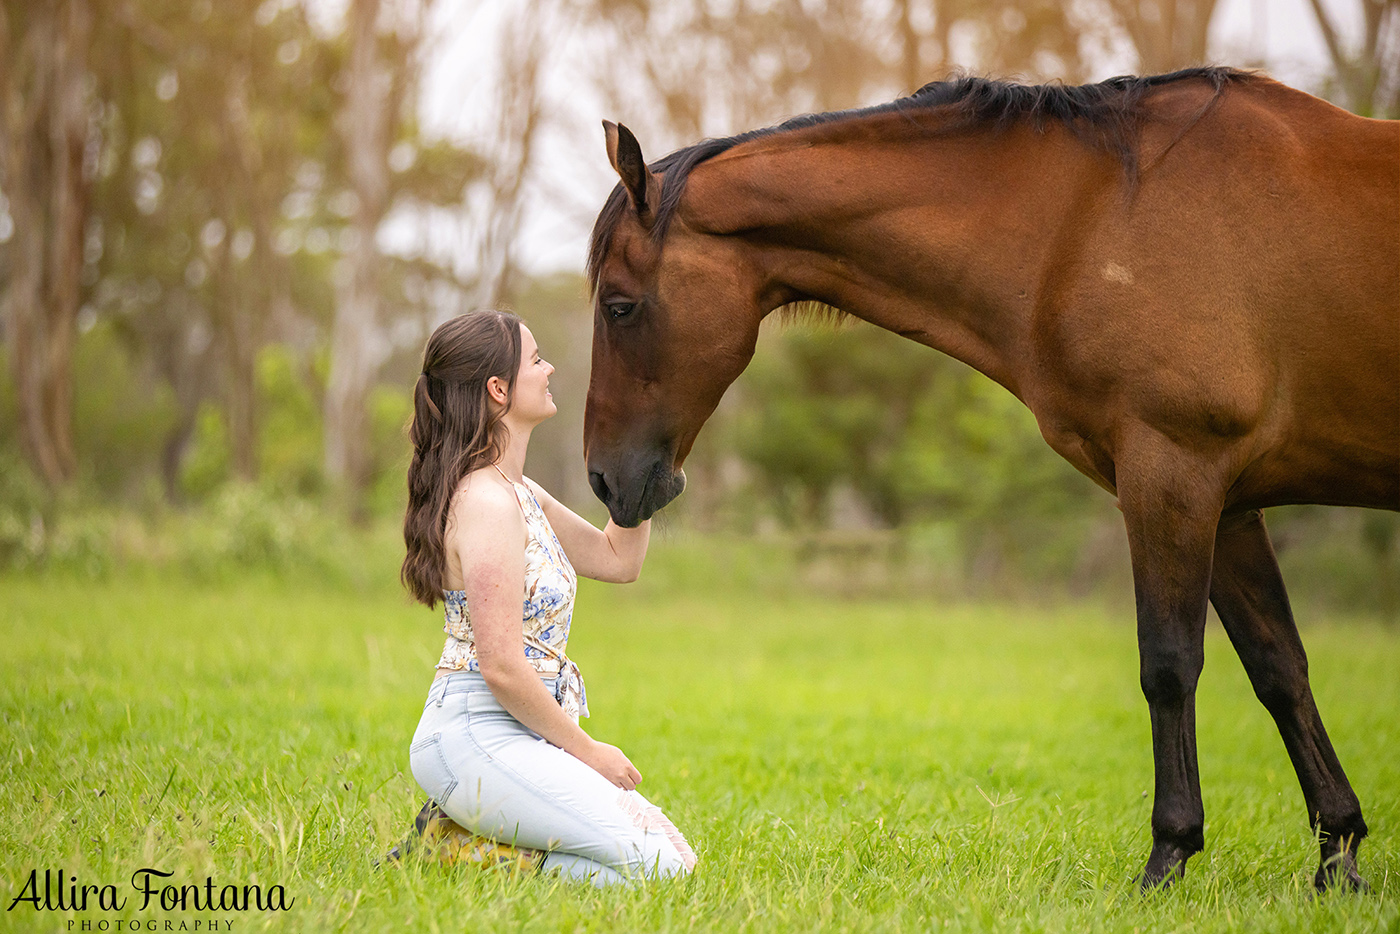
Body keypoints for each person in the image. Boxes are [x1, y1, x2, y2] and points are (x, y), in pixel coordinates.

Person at [399, 310, 696, 886]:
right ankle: (454, 851)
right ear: (499, 389)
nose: (550, 367)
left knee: (676, 855)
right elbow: (502, 666)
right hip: (473, 734)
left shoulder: (517, 491)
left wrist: (644, 463)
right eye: (536, 359)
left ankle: (470, 842)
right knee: (655, 870)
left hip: (520, 731)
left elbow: (618, 560)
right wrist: (589, 750)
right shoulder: (485, 503)